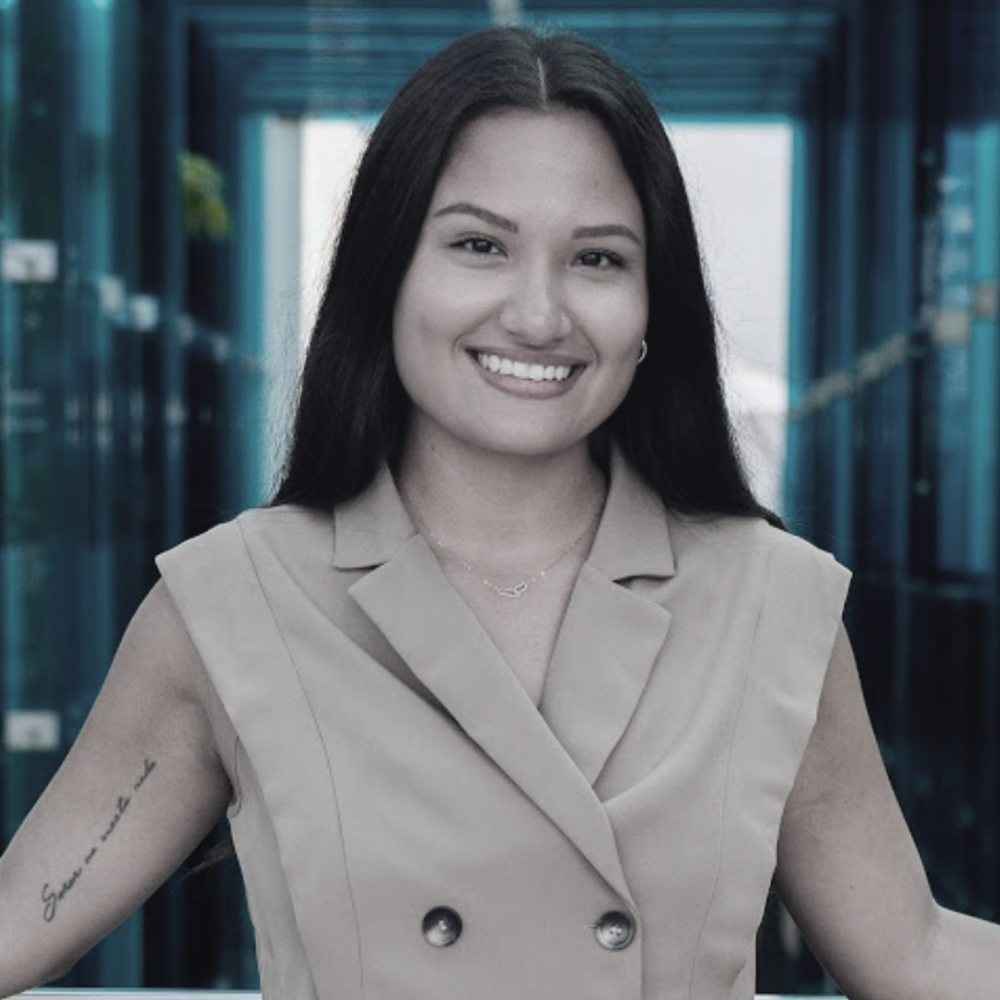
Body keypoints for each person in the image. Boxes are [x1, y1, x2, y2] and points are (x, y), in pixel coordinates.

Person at [1, 24, 998, 1000]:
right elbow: (20, 920)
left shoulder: (772, 602)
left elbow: (908, 954)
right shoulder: (231, 603)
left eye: (597, 259)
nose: (537, 313)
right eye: (479, 245)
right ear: (384, 273)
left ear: (654, 308)